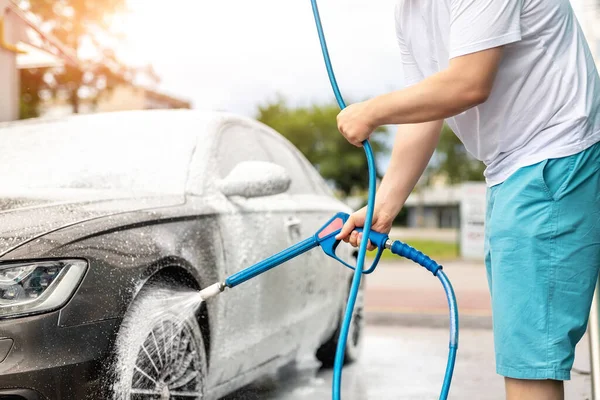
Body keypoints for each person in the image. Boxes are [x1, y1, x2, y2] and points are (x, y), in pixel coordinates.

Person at [334, 1, 600, 399]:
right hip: (515, 169)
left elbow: (468, 82)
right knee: (527, 350)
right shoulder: (409, 12)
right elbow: (425, 109)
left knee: (529, 365)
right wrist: (383, 206)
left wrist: (372, 111)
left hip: (551, 158)